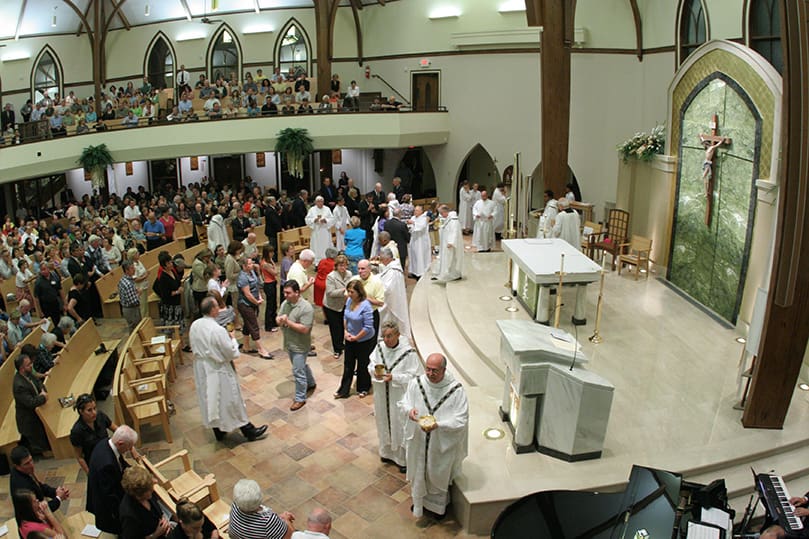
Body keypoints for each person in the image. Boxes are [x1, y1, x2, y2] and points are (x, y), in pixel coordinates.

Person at [399, 353, 469, 519]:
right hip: (418, 439)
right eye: (428, 369)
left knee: (437, 473)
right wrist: (410, 410)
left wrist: (439, 425)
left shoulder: (456, 390)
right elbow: (404, 401)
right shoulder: (417, 383)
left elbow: (461, 419)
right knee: (419, 470)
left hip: (440, 443)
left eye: (435, 370)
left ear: (444, 370)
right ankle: (419, 503)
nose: (430, 374)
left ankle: (437, 509)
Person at [190, 297, 268, 442]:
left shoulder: (195, 325)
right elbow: (230, 353)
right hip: (217, 369)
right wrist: (232, 338)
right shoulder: (217, 330)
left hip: (202, 368)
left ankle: (218, 431)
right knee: (230, 400)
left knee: (210, 400)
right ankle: (248, 430)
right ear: (213, 310)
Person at [368, 322, 422, 473]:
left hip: (398, 396)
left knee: (398, 423)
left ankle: (401, 458)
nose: (386, 339)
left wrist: (395, 377)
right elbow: (371, 364)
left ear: (398, 335)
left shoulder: (408, 352)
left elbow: (414, 376)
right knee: (383, 420)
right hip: (381, 393)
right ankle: (386, 453)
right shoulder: (379, 348)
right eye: (384, 336)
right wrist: (374, 371)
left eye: (390, 336)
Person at [86, 425, 139, 535]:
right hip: (106, 507)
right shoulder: (107, 464)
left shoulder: (106, 442)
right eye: (129, 447)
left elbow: (121, 462)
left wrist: (135, 471)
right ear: (120, 443)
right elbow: (111, 497)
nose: (129, 450)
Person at [277, 280, 316, 411]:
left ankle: (300, 398)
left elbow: (305, 329)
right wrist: (279, 320)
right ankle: (310, 383)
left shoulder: (306, 308)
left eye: (288, 293)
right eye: (284, 292)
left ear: (297, 293)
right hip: (289, 343)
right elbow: (279, 317)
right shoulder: (285, 304)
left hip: (300, 345)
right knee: (300, 365)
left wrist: (287, 321)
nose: (285, 295)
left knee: (297, 371)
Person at [69, 393, 132, 474]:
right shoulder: (77, 431)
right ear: (81, 411)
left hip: (111, 455)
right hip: (97, 464)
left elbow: (119, 431)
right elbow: (79, 457)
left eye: (95, 408)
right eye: (89, 410)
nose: (94, 412)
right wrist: (90, 474)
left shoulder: (100, 416)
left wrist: (132, 448)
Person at [334, 279, 375, 399]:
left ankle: (364, 387)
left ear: (359, 292)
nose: (349, 294)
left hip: (364, 340)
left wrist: (356, 337)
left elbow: (368, 327)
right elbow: (345, 316)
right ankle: (343, 390)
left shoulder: (366, 306)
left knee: (363, 365)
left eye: (352, 292)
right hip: (350, 337)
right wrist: (346, 332)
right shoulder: (349, 301)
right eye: (348, 291)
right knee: (348, 365)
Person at [9, 445, 69, 514]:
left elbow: (38, 487)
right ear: (17, 466)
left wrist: (56, 491)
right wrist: (58, 498)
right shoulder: (22, 486)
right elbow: (39, 510)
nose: (31, 465)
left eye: (31, 460)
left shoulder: (25, 471)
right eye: (26, 463)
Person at [229, 479, 295, 539]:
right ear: (260, 496)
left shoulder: (235, 505)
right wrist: (286, 520)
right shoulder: (268, 520)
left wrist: (278, 520)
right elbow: (290, 536)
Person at [119, 466, 172, 539]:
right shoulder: (129, 515)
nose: (152, 490)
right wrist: (155, 534)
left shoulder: (146, 490)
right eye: (149, 491)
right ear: (138, 495)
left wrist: (163, 520)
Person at [236, 257, 273, 359]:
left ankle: (246, 346)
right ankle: (261, 349)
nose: (251, 265)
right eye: (249, 264)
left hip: (254, 303)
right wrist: (256, 302)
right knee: (254, 326)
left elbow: (257, 285)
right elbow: (247, 294)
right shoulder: (242, 277)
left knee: (248, 325)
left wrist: (259, 297)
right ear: (244, 266)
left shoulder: (252, 272)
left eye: (251, 263)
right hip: (245, 305)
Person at [13, 353, 50, 454]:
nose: (31, 365)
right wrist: (43, 396)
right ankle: (42, 451)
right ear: (22, 368)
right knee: (43, 445)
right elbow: (31, 402)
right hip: (28, 420)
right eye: (28, 364)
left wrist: (42, 390)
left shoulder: (28, 374)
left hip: (35, 412)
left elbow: (39, 382)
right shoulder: (19, 385)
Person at [378, 247, 411, 340]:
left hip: (392, 302)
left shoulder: (393, 271)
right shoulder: (393, 266)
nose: (381, 261)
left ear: (388, 259)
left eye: (382, 259)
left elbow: (388, 289)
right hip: (394, 298)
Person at [324, 254, 352, 359]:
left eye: (344, 265)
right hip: (332, 306)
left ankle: (341, 344)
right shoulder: (331, 276)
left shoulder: (349, 274)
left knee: (343, 326)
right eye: (340, 266)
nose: (343, 268)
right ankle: (337, 349)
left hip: (344, 304)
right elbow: (330, 292)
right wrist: (344, 290)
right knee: (335, 328)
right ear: (336, 266)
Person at [154, 251, 185, 331]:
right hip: (170, 306)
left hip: (177, 303)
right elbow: (165, 294)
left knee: (180, 328)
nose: (171, 264)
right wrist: (177, 292)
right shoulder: (163, 277)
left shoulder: (172, 271)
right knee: (172, 329)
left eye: (171, 262)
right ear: (164, 266)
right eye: (168, 263)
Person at [433, 205, 463, 282]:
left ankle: (454, 275)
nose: (441, 215)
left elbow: (454, 231)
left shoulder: (453, 220)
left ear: (446, 212)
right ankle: (445, 274)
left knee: (452, 259)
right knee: (447, 259)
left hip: (450, 244)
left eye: (441, 213)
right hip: (446, 243)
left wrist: (451, 242)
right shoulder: (449, 219)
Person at [305, 196, 334, 263]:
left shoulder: (327, 209)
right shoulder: (312, 210)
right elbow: (307, 219)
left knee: (325, 247)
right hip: (316, 232)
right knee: (316, 248)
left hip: (325, 232)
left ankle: (326, 261)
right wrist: (314, 220)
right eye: (318, 201)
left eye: (321, 201)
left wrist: (326, 220)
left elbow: (332, 219)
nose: (320, 203)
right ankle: (317, 263)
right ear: (315, 202)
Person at [33, 264, 63, 328]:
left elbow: (60, 289)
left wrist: (64, 302)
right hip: (45, 305)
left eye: (44, 269)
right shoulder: (38, 282)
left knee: (58, 319)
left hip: (55, 302)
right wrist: (40, 311)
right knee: (49, 323)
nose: (43, 271)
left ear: (48, 269)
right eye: (41, 270)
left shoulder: (54, 276)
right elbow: (36, 297)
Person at [407, 205, 431, 279]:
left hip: (421, 241)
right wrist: (411, 225)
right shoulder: (413, 218)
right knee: (413, 256)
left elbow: (421, 227)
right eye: (415, 210)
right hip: (414, 239)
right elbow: (409, 227)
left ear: (421, 211)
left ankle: (420, 272)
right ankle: (414, 272)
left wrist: (413, 223)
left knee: (420, 256)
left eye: (417, 210)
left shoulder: (424, 219)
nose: (415, 212)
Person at [259, 245, 279, 332]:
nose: (273, 254)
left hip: (272, 283)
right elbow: (275, 272)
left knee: (274, 304)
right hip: (269, 284)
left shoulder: (267, 261)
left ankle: (274, 321)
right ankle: (269, 325)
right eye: (271, 252)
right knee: (270, 305)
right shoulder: (265, 263)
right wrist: (273, 265)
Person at [118, 260, 141, 332]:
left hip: (126, 309)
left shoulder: (123, 279)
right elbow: (133, 301)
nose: (134, 269)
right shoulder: (128, 284)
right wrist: (139, 293)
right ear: (126, 270)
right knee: (135, 330)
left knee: (133, 328)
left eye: (133, 267)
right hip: (131, 309)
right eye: (132, 268)